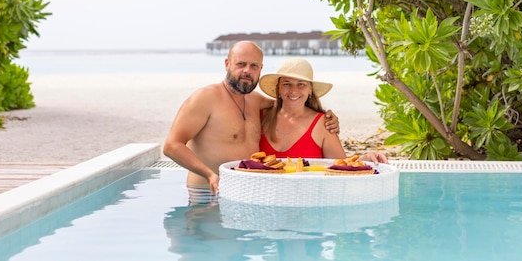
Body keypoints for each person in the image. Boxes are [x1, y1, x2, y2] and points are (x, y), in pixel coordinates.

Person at [162, 41, 340, 201]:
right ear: (227, 64)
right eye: (241, 64)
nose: (247, 70)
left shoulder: (256, 102)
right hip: (207, 191)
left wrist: (327, 117)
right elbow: (171, 146)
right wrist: (209, 174)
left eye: (254, 66)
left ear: (260, 69)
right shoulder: (205, 98)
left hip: (246, 193)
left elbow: (291, 104)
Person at [259, 57, 388, 163]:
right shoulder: (260, 117)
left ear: (310, 90)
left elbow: (341, 166)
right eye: (287, 84)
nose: (293, 90)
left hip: (309, 194)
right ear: (279, 89)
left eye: (301, 84)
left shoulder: (323, 123)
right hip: (266, 194)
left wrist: (365, 159)